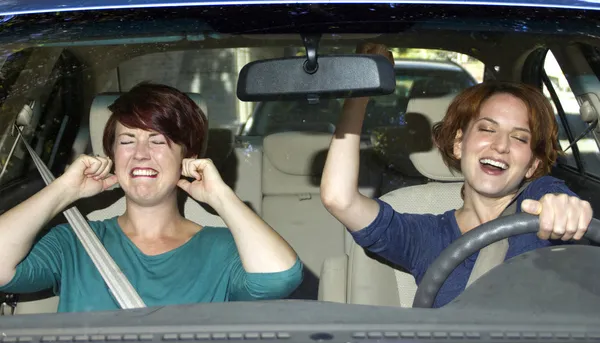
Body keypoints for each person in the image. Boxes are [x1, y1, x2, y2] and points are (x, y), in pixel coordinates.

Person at [320, 43, 593, 308]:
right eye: (487, 129)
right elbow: (339, 199)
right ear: (459, 144)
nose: (500, 145)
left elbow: (557, 198)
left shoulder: (540, 211)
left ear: (532, 165)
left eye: (520, 138)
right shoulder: (427, 236)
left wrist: (566, 208)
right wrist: (359, 94)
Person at [0, 82, 303, 313]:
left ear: (189, 157)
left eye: (158, 141)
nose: (141, 154)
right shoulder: (73, 243)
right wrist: (66, 189)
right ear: (112, 156)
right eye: (127, 141)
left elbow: (279, 279)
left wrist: (221, 197)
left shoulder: (222, 249)